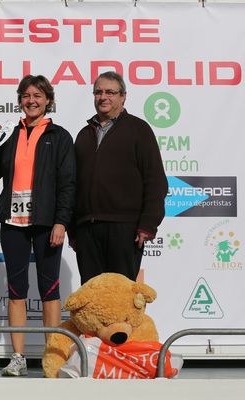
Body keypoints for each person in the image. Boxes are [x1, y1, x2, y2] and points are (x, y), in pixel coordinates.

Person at [0, 75, 75, 376]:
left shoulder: (60, 136)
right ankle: (18, 357)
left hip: (46, 223)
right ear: (19, 100)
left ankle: (53, 356)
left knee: (49, 289)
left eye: (38, 95)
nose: (31, 100)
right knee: (17, 290)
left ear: (48, 100)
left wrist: (61, 221)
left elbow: (68, 184)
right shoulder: (10, 136)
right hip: (13, 223)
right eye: (26, 95)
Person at [72, 71, 167, 284]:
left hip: (125, 229)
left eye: (110, 92)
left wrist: (148, 224)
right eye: (98, 92)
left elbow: (155, 181)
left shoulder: (138, 129)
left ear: (123, 96)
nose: (103, 97)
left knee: (122, 297)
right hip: (87, 229)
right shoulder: (84, 134)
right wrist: (73, 228)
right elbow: (74, 184)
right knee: (92, 299)